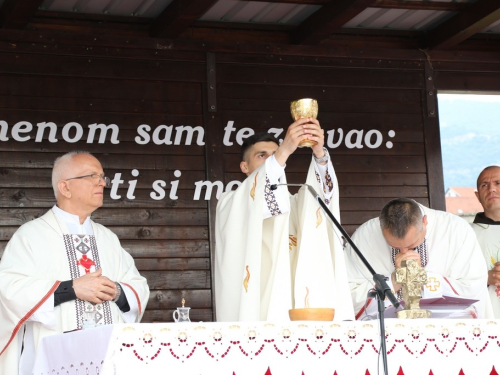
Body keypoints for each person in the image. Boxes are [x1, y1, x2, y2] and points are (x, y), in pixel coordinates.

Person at [0, 151, 150, 375]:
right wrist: (71, 289)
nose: (102, 182)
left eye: (102, 176)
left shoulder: (107, 238)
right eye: (92, 176)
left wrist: (117, 291)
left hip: (110, 356)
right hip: (57, 356)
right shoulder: (31, 236)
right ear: (65, 188)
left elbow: (138, 286)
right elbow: (9, 290)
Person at [214, 118, 354, 322]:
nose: (274, 160)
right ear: (244, 166)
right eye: (262, 156)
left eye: (275, 155)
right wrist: (284, 150)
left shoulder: (295, 204)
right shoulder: (230, 203)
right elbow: (256, 197)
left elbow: (322, 202)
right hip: (256, 310)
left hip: (294, 308)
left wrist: (320, 154)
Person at [346, 198, 492, 320]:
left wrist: (421, 278)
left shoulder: (456, 229)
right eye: (394, 246)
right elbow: (348, 294)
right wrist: (394, 280)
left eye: (412, 244)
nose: (404, 252)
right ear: (380, 225)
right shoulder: (365, 236)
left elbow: (474, 287)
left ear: (424, 221)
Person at [471, 165, 500, 317]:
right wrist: (485, 278)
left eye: (498, 183)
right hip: (485, 323)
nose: (491, 189)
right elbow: (451, 280)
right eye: (485, 185)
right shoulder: (465, 234)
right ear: (477, 196)